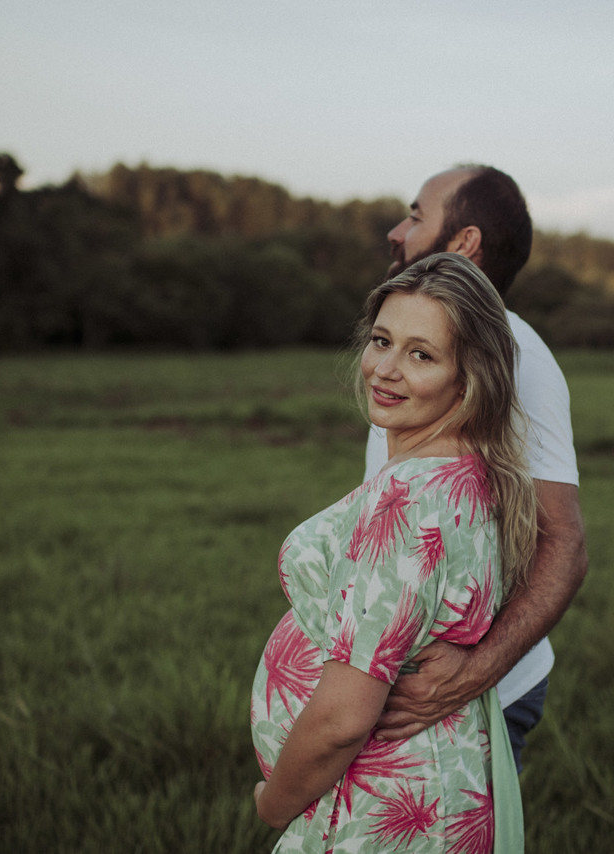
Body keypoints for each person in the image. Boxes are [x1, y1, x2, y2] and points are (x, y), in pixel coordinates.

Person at [252, 253, 535, 851]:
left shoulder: (405, 502)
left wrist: (275, 801)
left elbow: (342, 720)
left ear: (469, 377)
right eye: (381, 341)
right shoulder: (467, 475)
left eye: (421, 354)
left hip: (376, 811)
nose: (385, 369)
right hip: (441, 791)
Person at [369, 165, 588, 772]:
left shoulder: (516, 355)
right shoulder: (413, 355)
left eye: (415, 216)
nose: (397, 232)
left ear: (463, 242)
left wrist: (470, 676)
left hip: (477, 700)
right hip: (408, 694)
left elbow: (564, 546)